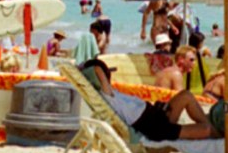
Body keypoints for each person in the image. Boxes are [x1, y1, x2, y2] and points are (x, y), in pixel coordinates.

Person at [82, 59, 217, 141]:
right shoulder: (106, 95)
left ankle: (213, 131)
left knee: (185, 95)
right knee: (204, 129)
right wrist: (84, 68)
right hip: (151, 126)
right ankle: (214, 133)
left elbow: (98, 70)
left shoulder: (111, 92)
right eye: (108, 72)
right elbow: (97, 68)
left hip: (154, 115)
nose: (110, 74)